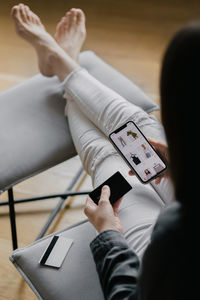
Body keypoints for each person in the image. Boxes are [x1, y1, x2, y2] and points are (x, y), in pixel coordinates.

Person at [10, 4, 196, 299]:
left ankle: (58, 60)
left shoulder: (171, 239)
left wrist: (109, 234)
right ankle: (61, 61)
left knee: (108, 154)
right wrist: (186, 162)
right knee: (136, 129)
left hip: (164, 250)